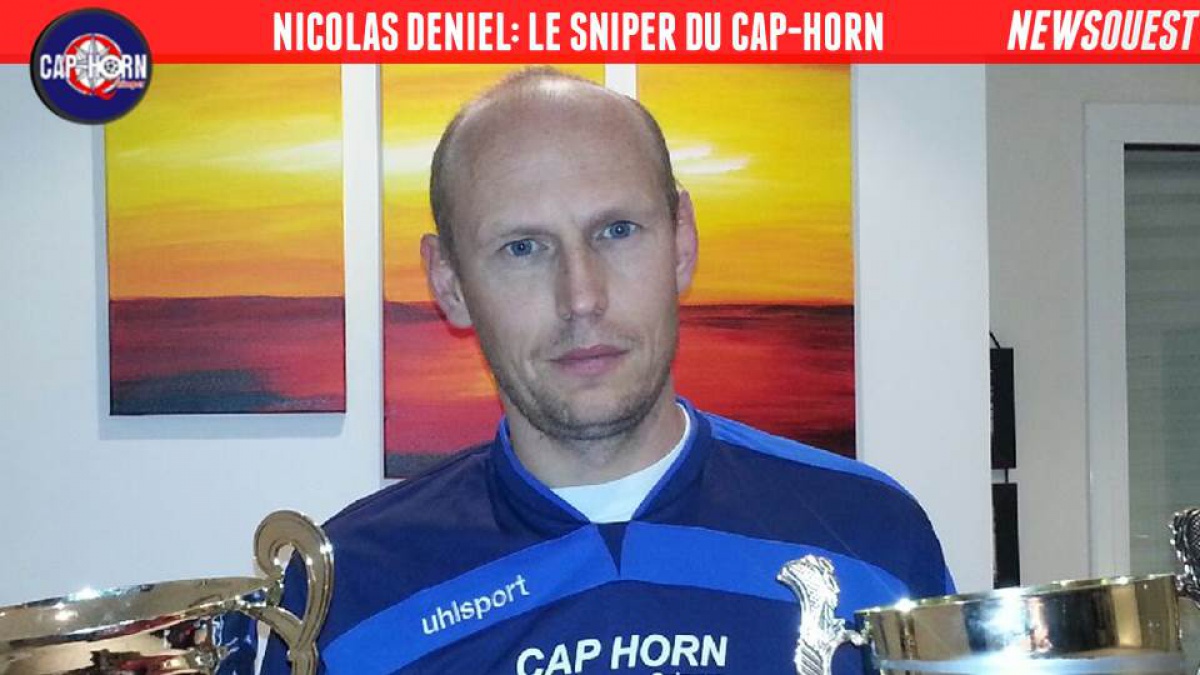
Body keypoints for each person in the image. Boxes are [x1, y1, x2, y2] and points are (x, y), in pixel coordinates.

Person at [261, 67, 952, 675]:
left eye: (616, 231)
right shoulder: (344, 591)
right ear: (450, 282)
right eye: (523, 247)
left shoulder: (871, 537)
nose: (582, 297)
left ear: (681, 240)